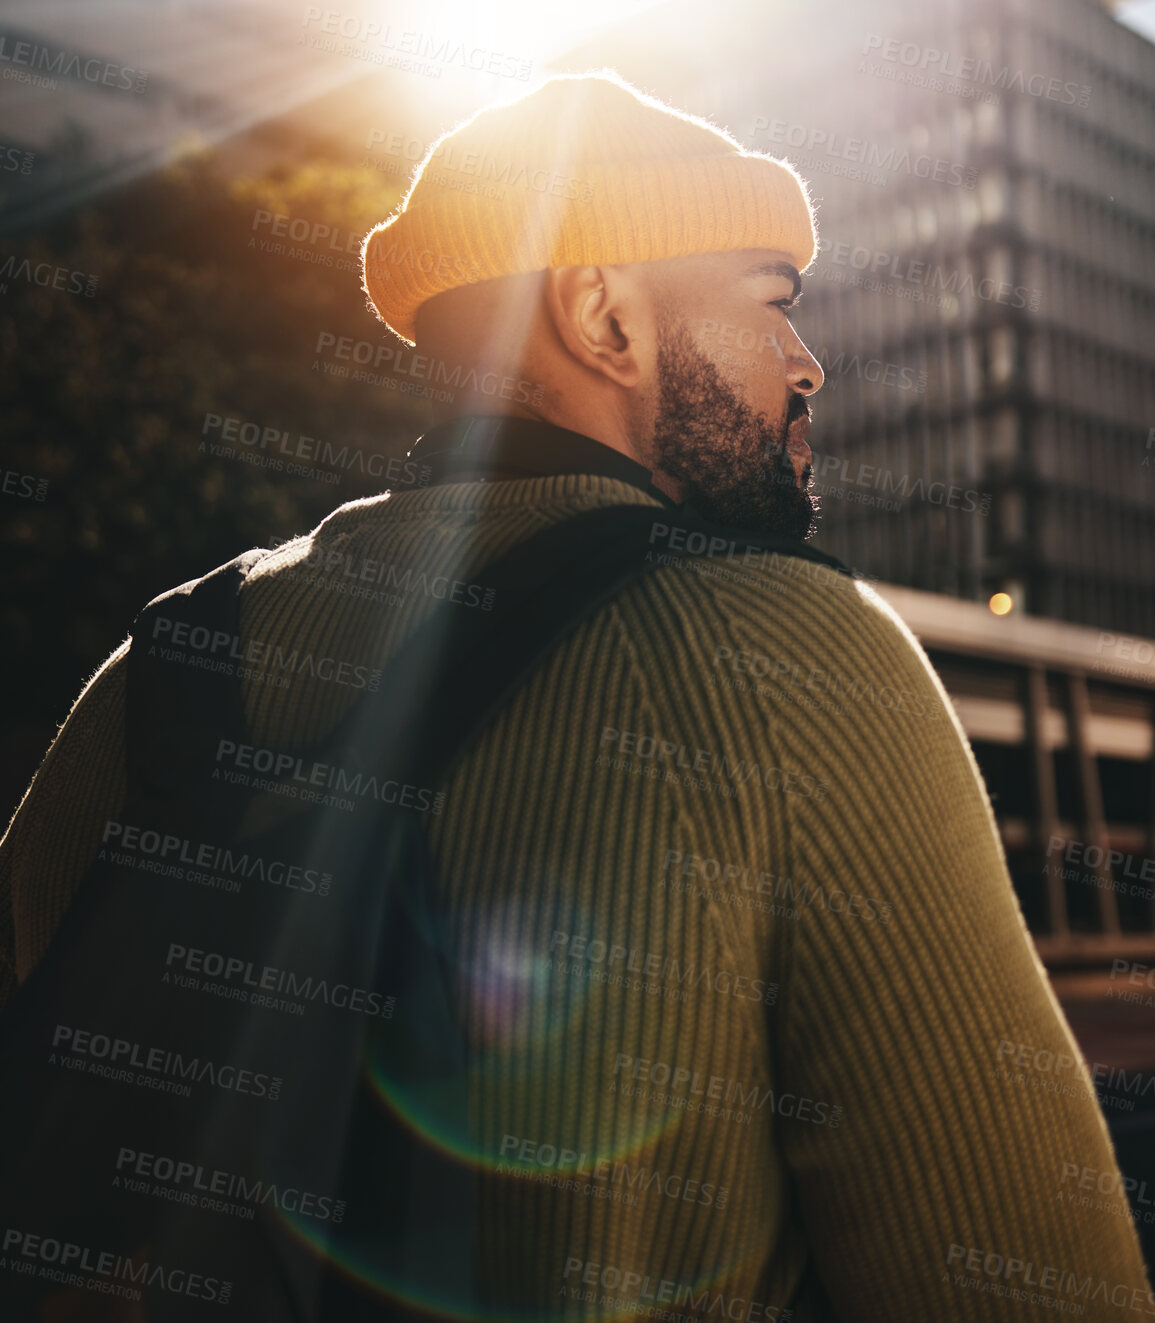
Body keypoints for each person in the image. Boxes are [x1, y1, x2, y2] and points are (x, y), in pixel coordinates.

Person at [0, 71, 1148, 1318]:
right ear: (605, 317)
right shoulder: (795, 649)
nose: (808, 366)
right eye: (774, 304)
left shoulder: (162, 656)